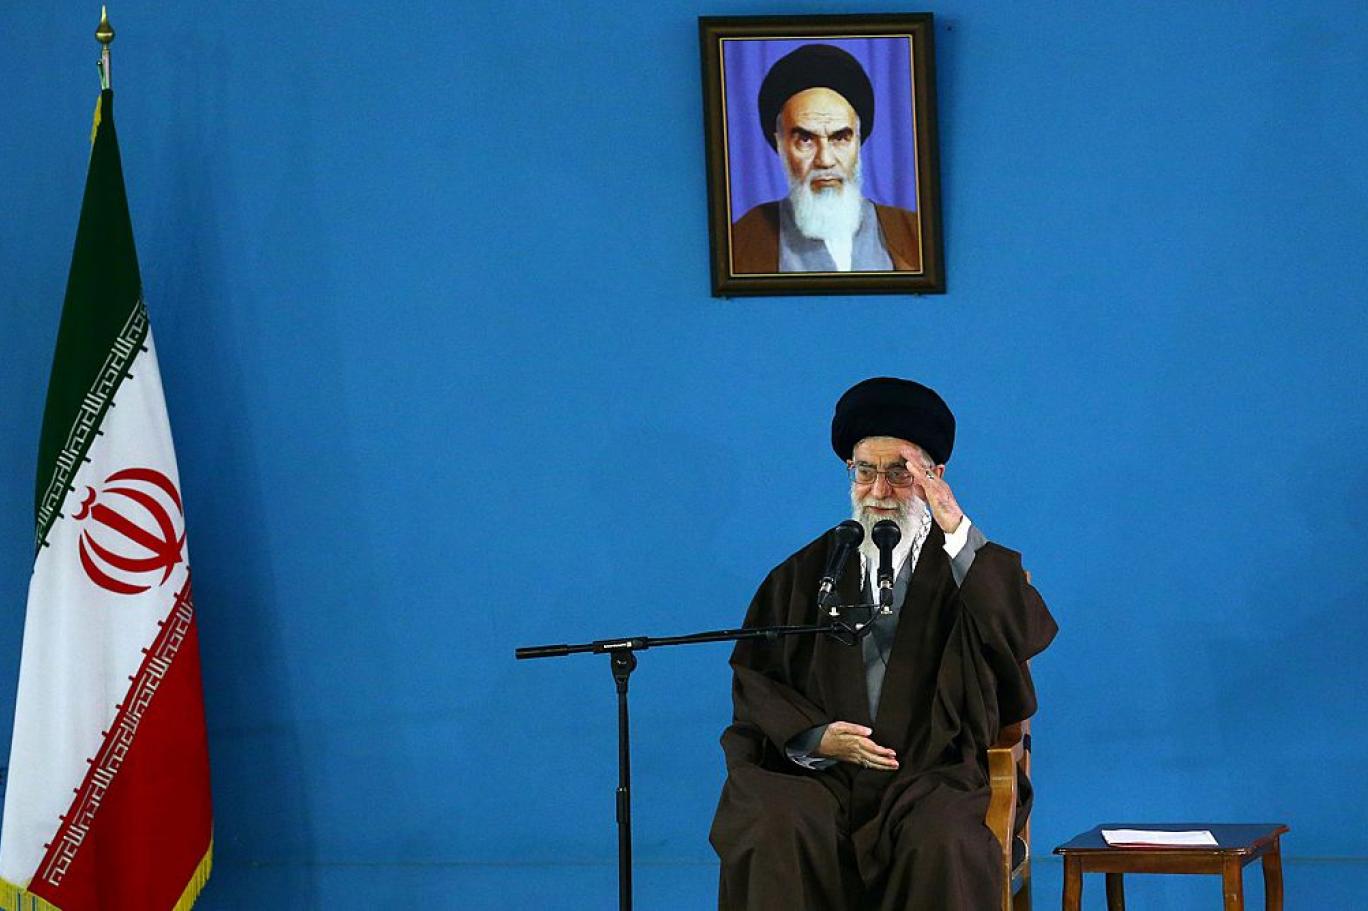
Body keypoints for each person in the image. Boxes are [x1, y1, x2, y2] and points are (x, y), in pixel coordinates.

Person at [709, 377, 1057, 910]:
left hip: (930, 775)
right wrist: (815, 737)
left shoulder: (967, 566)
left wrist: (957, 529)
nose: (878, 490)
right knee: (773, 820)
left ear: (934, 477)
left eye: (899, 473)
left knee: (943, 839)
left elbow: (1025, 633)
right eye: (864, 471)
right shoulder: (805, 573)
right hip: (824, 779)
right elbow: (757, 679)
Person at [731, 44, 922, 275]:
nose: (825, 160)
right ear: (781, 144)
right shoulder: (742, 240)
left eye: (840, 138)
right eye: (805, 140)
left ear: (858, 141)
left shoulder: (915, 233)